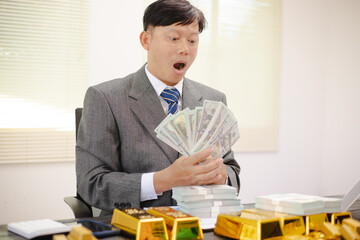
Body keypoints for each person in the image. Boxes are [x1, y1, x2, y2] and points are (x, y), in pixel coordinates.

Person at [76, 0, 240, 215]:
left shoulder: (213, 100)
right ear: (146, 40)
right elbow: (92, 185)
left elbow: (232, 173)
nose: (185, 49)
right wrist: (162, 180)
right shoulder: (106, 98)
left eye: (192, 40)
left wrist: (223, 176)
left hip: (202, 224)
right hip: (137, 228)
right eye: (174, 38)